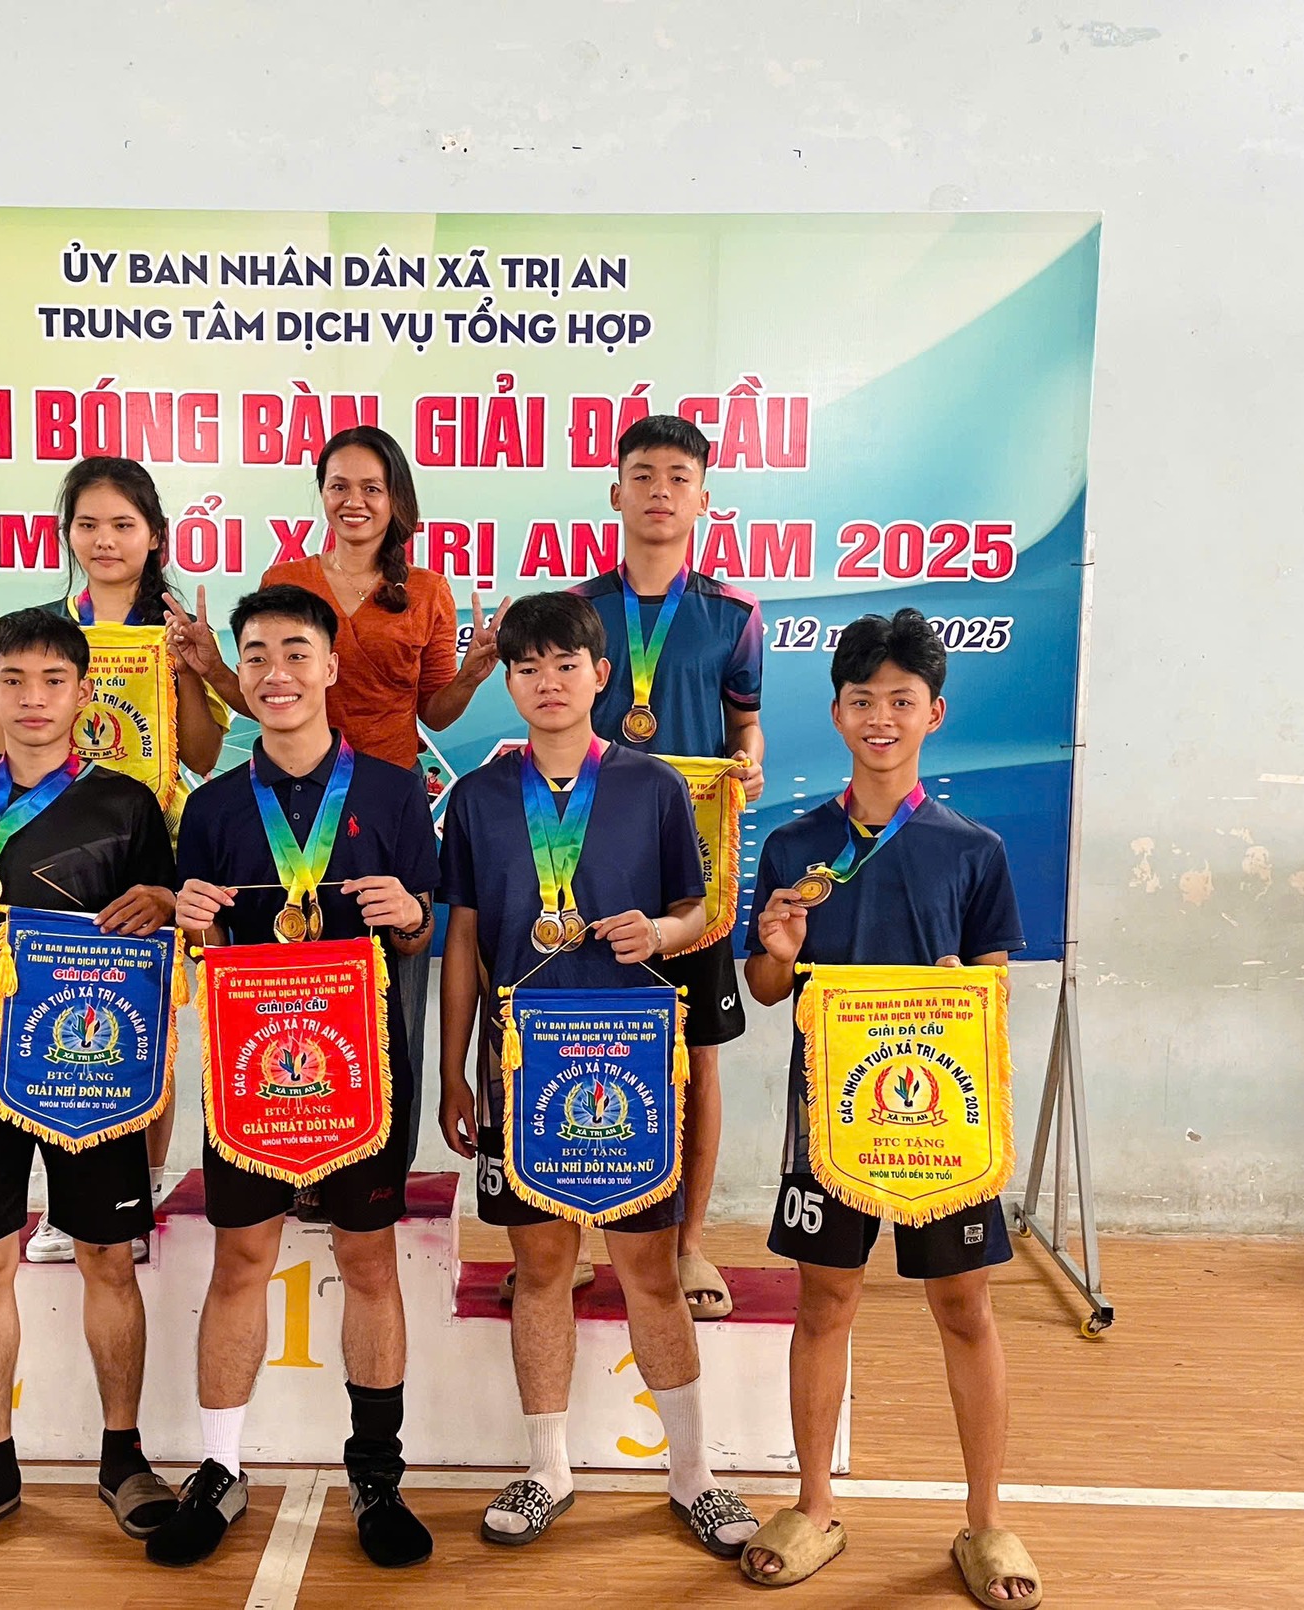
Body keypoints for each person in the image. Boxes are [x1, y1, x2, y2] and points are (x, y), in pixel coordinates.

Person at [435, 592, 757, 1559]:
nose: (547, 681)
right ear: (508, 680)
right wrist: (453, 1068)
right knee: (541, 1270)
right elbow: (462, 940)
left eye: (565, 664)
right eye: (527, 667)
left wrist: (658, 931)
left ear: (600, 675)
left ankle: (694, 1475)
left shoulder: (654, 787)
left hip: (630, 1066)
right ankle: (547, 1470)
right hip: (520, 1064)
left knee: (648, 1272)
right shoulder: (479, 798)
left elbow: (697, 912)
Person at [737, 609, 1038, 1605]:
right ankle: (813, 1504)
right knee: (824, 1302)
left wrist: (960, 992)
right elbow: (765, 988)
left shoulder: (972, 849)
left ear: (933, 713)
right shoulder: (793, 842)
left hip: (939, 1122)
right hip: (827, 1121)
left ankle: (986, 1521)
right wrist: (777, 951)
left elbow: (992, 991)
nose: (880, 717)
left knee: (964, 1307)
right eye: (861, 699)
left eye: (900, 700)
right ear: (834, 711)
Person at [149, 584, 438, 1571]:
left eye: (295, 653)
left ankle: (377, 1475)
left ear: (330, 668)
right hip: (252, 1070)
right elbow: (205, 946)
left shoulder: (395, 792)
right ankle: (220, 1468)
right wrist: (191, 921)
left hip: (363, 1068)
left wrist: (410, 914)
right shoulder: (214, 807)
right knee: (240, 1259)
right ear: (239, 673)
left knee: (368, 1261)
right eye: (257, 656)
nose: (276, 673)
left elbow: (422, 931)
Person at [0, 608, 181, 1562]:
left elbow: (169, 928)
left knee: (106, 1260)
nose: (33, 698)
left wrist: (165, 901)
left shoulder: (128, 805)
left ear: (84, 693)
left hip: (89, 1067)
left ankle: (124, 1459)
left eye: (54, 680)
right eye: (13, 680)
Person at [169, 426, 506, 1165]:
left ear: (396, 500)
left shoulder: (427, 591)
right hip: (284, 799)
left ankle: (381, 1162)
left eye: (372, 488)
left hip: (387, 809)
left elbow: (435, 711)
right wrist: (211, 665)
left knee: (395, 987)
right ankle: (283, 1144)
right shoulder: (287, 576)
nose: (355, 501)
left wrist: (472, 673)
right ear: (321, 495)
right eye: (339, 486)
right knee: (282, 981)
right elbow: (270, 692)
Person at [0, 457, 218, 1265]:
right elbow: (2, 745)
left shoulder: (177, 629)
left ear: (156, 535)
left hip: (149, 846)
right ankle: (66, 1200)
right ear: (67, 535)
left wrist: (189, 672)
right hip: (54, 848)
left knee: (145, 1022)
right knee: (56, 1019)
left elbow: (202, 754)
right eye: (88, 524)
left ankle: (135, 1193)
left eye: (124, 524)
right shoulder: (37, 628)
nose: (105, 539)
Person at [573, 413, 766, 1320]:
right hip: (581, 865)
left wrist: (750, 762)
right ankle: (569, 1238)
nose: (660, 491)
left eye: (679, 477)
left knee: (696, 1056)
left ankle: (687, 1244)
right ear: (615, 492)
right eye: (643, 474)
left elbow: (745, 726)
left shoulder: (734, 617)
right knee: (570, 1043)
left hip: (693, 875)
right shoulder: (579, 613)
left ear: (703, 499)